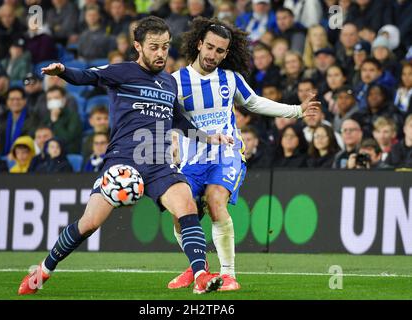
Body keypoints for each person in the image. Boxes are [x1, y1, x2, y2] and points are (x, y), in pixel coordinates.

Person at [18, 16, 229, 296]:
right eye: (154, 47)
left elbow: (177, 120)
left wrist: (207, 137)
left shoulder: (169, 83)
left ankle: (201, 275)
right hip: (123, 161)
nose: (161, 53)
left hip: (158, 161)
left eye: (165, 46)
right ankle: (42, 271)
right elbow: (89, 76)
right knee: (89, 224)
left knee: (187, 207)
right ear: (138, 47)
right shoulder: (123, 72)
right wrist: (64, 71)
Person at [169, 17, 320, 291]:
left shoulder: (230, 79)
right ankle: (198, 267)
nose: (213, 55)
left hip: (227, 154)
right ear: (199, 44)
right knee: (181, 214)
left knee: (216, 201)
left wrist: (296, 110)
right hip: (192, 160)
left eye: (220, 51)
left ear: (227, 53)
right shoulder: (176, 82)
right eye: (210, 47)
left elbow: (254, 102)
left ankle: (229, 275)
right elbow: (165, 120)